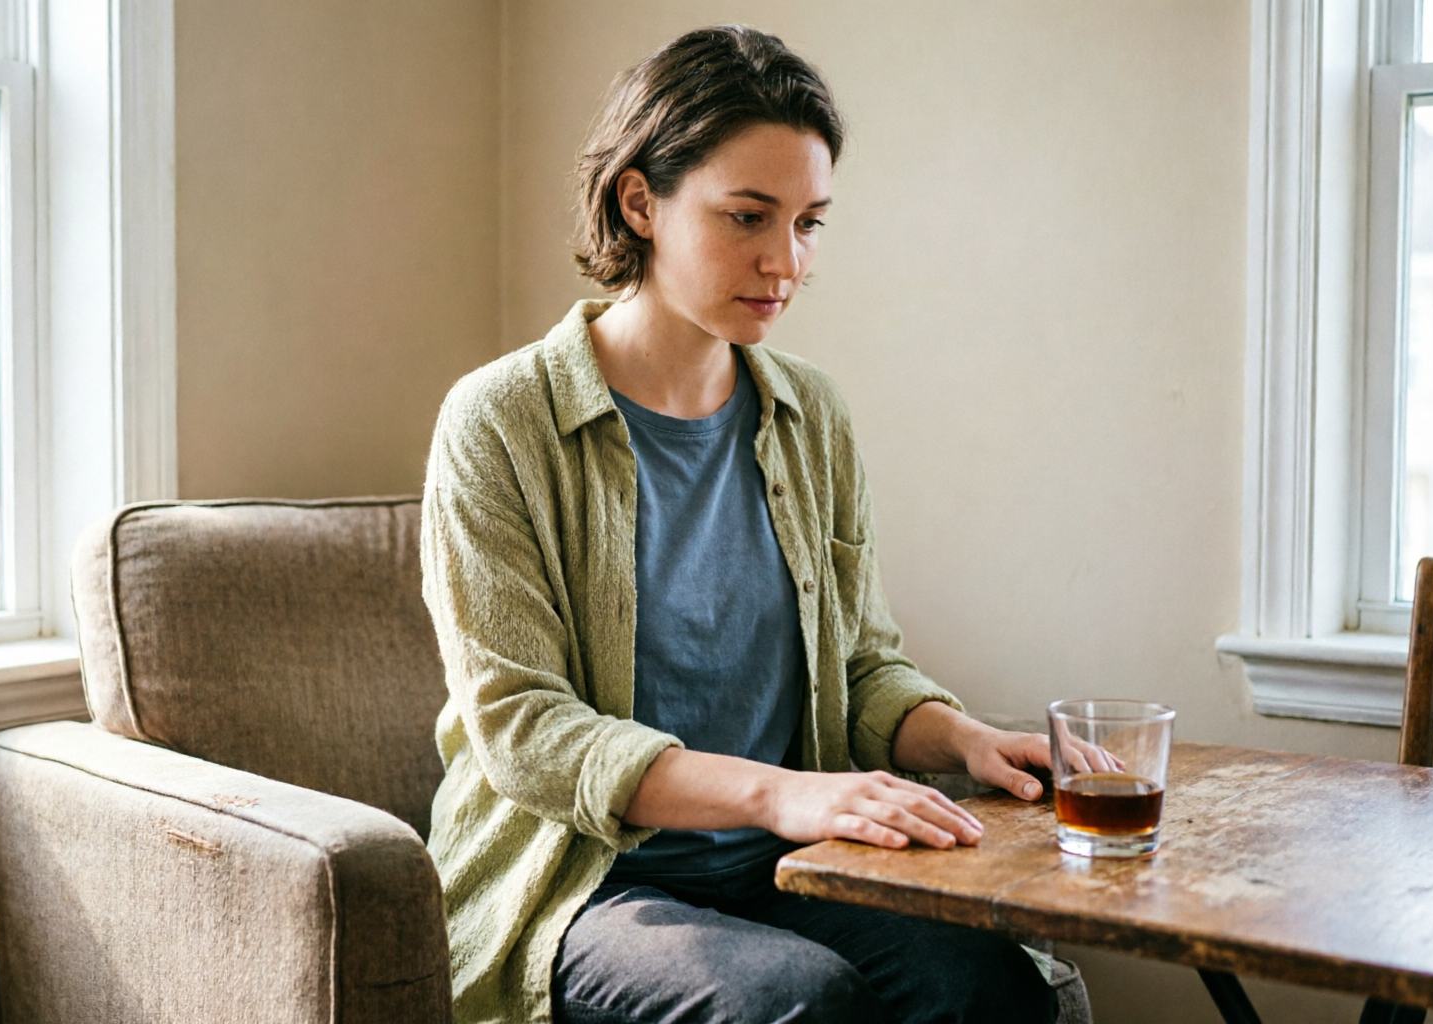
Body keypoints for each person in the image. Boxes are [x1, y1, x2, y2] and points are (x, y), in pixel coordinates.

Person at [420, 23, 1089, 1024]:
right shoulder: (500, 420)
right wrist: (782, 793)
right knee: (797, 1003)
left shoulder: (811, 414)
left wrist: (964, 738)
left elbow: (860, 665)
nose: (786, 261)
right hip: (587, 884)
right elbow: (525, 729)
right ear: (640, 202)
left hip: (785, 865)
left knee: (992, 983)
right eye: (747, 217)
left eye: (809, 222)